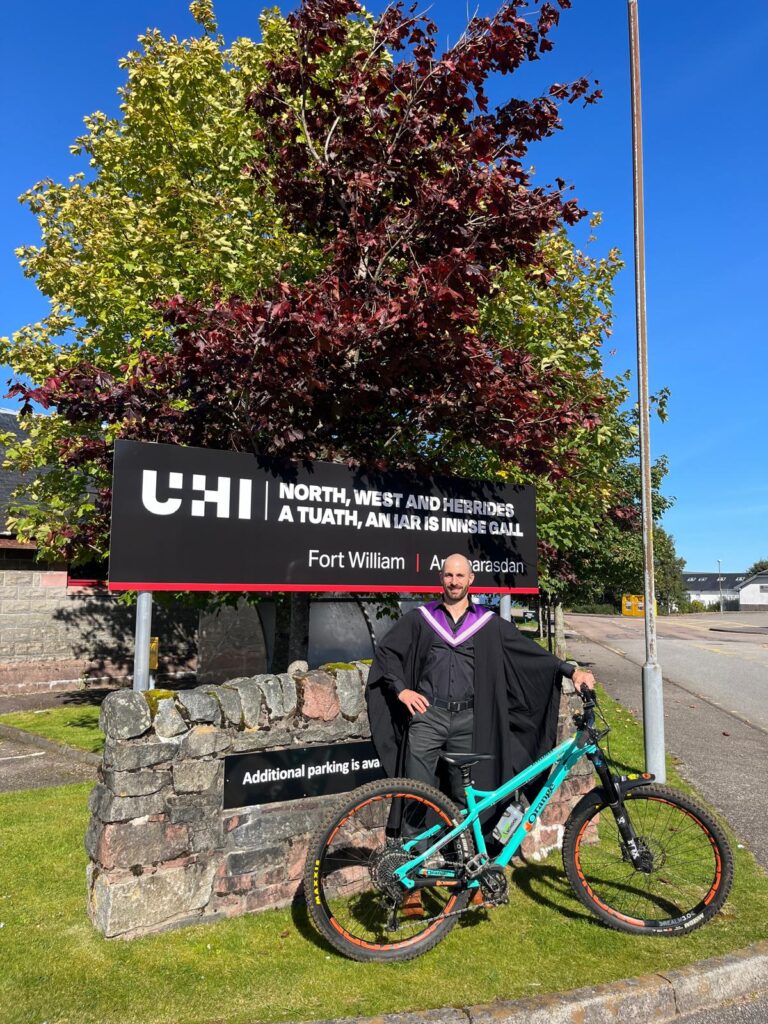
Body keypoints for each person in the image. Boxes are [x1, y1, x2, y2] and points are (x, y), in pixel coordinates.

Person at [365, 552, 595, 915]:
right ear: (441, 580)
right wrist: (401, 690)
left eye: (460, 576)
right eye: (448, 576)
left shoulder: (488, 624)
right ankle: (409, 887)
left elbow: (530, 654)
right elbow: (387, 655)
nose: (453, 582)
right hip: (428, 716)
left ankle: (467, 877)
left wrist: (571, 671)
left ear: (471, 580)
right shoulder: (422, 620)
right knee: (414, 795)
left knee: (466, 804)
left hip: (471, 722)